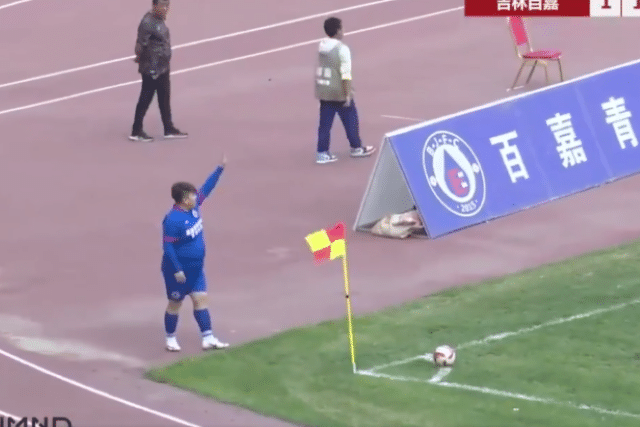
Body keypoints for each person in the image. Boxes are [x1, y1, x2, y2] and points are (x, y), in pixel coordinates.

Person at [161, 153, 229, 351]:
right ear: (183, 200)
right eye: (191, 195)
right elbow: (168, 247)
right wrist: (177, 269)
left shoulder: (194, 207)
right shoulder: (172, 220)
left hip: (196, 269)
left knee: (201, 300)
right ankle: (170, 338)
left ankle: (208, 337)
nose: (195, 196)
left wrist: (220, 169)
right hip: (177, 272)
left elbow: (207, 188)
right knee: (175, 303)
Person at [314, 17, 375, 164]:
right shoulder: (342, 49)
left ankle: (322, 152)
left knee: (325, 124)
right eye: (342, 28)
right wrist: (347, 94)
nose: (343, 30)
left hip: (324, 89)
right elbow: (346, 73)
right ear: (337, 31)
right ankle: (356, 147)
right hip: (338, 90)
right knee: (351, 119)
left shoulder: (322, 45)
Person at [130, 0, 187, 142]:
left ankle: (168, 128)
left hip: (162, 67)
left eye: (167, 6)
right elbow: (139, 45)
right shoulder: (147, 22)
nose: (166, 8)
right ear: (155, 6)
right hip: (152, 69)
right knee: (145, 99)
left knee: (164, 98)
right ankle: (136, 131)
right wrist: (142, 61)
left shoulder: (159, 19)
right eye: (163, 5)